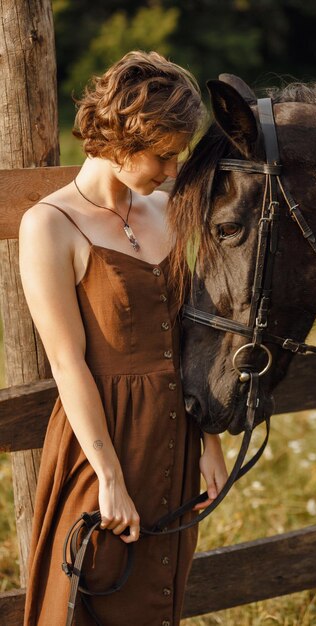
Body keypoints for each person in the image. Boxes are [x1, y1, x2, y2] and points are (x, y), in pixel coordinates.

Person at [20, 50, 228, 626]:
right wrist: (109, 479)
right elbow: (67, 363)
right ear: (122, 138)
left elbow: (191, 336)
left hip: (176, 438)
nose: (171, 169)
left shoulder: (165, 208)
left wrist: (208, 439)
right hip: (104, 440)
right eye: (163, 155)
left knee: (159, 598)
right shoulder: (50, 225)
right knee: (89, 598)